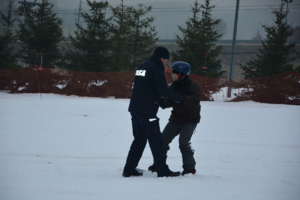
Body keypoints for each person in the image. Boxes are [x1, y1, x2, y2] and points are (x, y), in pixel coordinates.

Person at [122, 47, 185, 178]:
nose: (166, 64)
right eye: (166, 61)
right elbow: (163, 89)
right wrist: (179, 98)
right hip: (147, 111)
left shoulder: (142, 66)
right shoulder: (156, 68)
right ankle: (163, 171)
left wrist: (157, 99)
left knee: (139, 140)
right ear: (162, 58)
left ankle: (129, 169)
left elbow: (145, 86)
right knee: (157, 141)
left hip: (135, 109)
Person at [148, 61, 201, 176]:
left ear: (182, 73)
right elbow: (170, 100)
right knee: (162, 141)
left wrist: (179, 98)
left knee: (184, 143)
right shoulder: (174, 86)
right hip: (176, 119)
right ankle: (158, 164)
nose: (171, 75)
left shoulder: (192, 86)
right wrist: (165, 102)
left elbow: (195, 101)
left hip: (189, 120)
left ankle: (189, 169)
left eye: (174, 73)